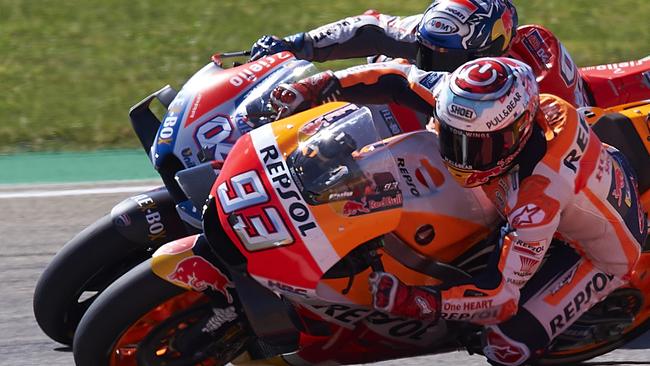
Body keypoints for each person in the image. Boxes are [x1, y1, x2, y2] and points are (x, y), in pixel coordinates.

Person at [268, 57, 648, 365]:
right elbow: (399, 76)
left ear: (515, 133)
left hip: (596, 251)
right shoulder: (485, 108)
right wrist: (324, 83)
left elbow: (501, 298)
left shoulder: (538, 202)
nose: (458, 157)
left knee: (506, 346)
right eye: (451, 137)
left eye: (473, 148)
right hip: (583, 172)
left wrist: (421, 302)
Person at [249, 0, 590, 108]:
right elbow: (371, 27)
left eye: (443, 58)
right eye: (426, 51)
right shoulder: (445, 31)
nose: (428, 60)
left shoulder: (530, 80)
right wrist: (296, 43)